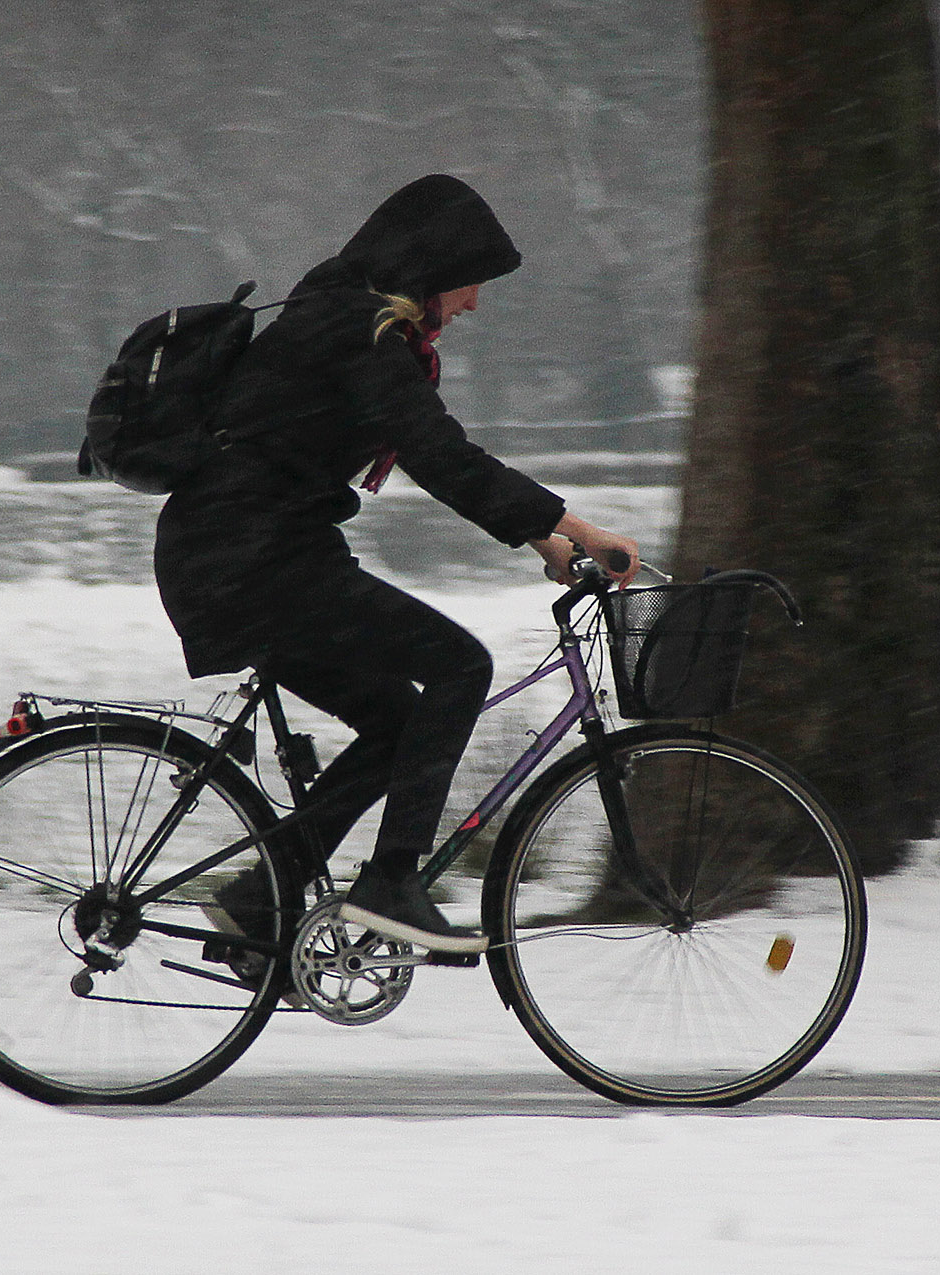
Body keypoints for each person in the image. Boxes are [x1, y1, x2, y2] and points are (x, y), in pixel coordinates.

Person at [154, 174, 639, 956]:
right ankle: (391, 881)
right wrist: (572, 523)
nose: (476, 302)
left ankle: (261, 896)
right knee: (458, 667)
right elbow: (440, 454)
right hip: (252, 558)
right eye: (474, 280)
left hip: (241, 551)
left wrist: (543, 540)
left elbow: (424, 449)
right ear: (434, 268)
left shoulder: (348, 320)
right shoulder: (357, 329)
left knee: (398, 722)